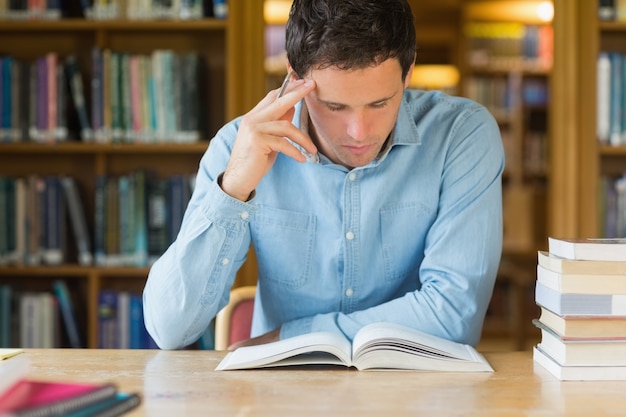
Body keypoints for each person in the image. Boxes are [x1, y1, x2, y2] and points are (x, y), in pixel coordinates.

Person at [143, 0, 504, 350]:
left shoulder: (462, 134)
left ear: (408, 72)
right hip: (282, 400)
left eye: (380, 103)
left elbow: (455, 315)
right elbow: (170, 328)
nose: (358, 132)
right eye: (335, 106)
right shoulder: (238, 147)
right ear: (295, 77)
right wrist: (234, 187)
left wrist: (292, 337)